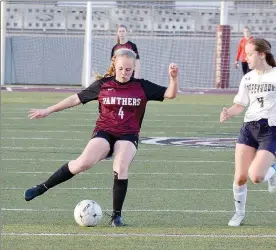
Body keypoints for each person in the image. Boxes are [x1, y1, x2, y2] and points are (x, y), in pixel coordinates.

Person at [24, 48, 179, 227]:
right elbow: (75, 99)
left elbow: (170, 94)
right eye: (121, 69)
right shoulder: (103, 85)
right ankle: (42, 187)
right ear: (114, 64)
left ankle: (116, 217)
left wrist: (173, 78)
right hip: (105, 132)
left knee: (120, 166)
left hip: (128, 135)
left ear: (134, 68)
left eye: (128, 70)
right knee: (82, 163)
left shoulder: (141, 86)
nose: (124, 73)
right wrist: (48, 110)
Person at [220, 38, 276, 227]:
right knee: (240, 177)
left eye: (249, 54)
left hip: (270, 129)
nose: (246, 58)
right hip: (249, 128)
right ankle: (239, 214)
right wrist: (228, 112)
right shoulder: (248, 78)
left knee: (256, 177)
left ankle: (272, 172)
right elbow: (240, 105)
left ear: (262, 54)